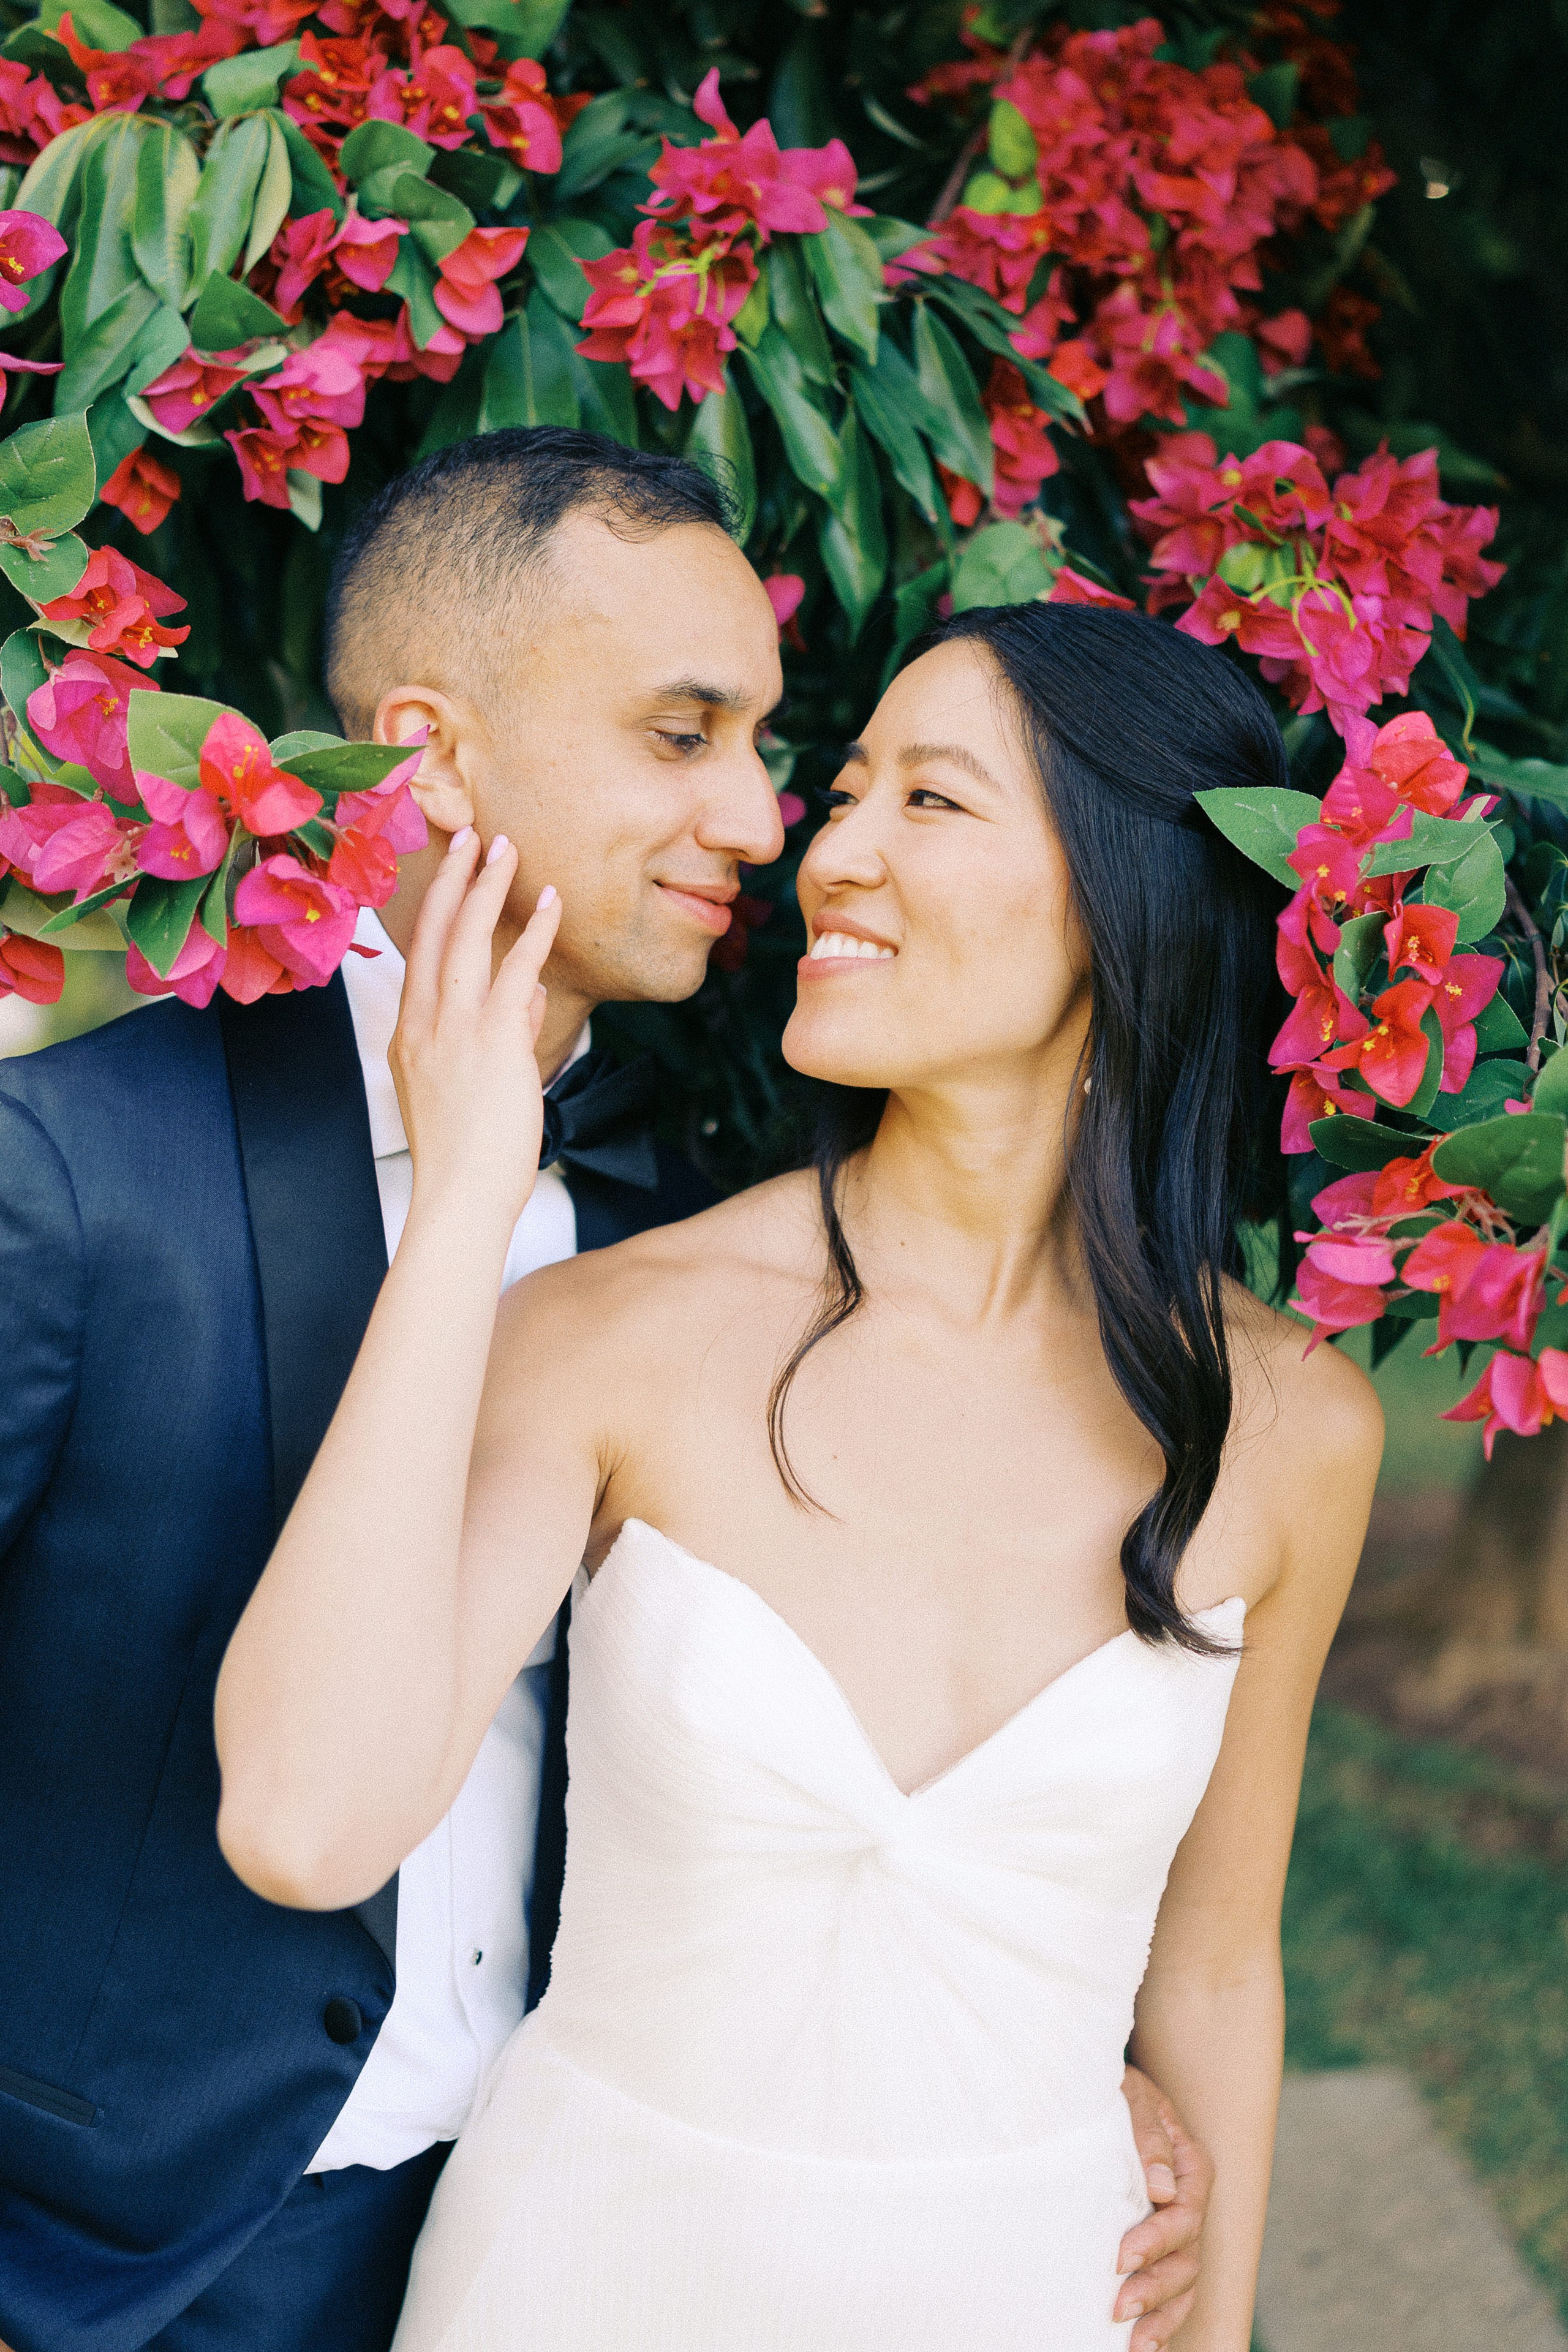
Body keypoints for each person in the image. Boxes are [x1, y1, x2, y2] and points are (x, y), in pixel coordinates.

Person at [0, 430, 1203, 2352]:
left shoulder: (686, 1221)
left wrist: (1046, 2068)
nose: (760, 821)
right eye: (680, 737)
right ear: (431, 756)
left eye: (760, 748)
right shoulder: (67, 1175)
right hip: (122, 2276)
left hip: (561, 2229)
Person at [214, 600, 1383, 2350]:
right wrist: (467, 1192)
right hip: (580, 2280)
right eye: (846, 795)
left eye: (932, 801)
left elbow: (1211, 1966)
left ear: (1128, 894)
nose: (829, 852)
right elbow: (304, 1825)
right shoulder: (616, 1331)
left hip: (1036, 2295)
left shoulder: (1298, 1430)